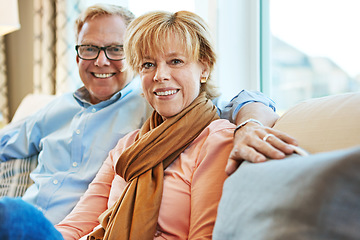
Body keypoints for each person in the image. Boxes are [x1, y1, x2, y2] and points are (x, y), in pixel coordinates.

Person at [0, 4, 296, 225]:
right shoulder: (111, 136)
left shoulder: (174, 115)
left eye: (114, 49)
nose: (101, 61)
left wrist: (251, 124)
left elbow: (240, 100)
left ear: (204, 67)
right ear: (77, 55)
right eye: (148, 65)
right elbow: (82, 220)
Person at [55, 9, 243, 239]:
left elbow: (205, 236)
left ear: (204, 68)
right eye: (148, 64)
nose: (160, 75)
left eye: (175, 61)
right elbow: (75, 226)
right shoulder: (128, 145)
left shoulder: (216, 139)